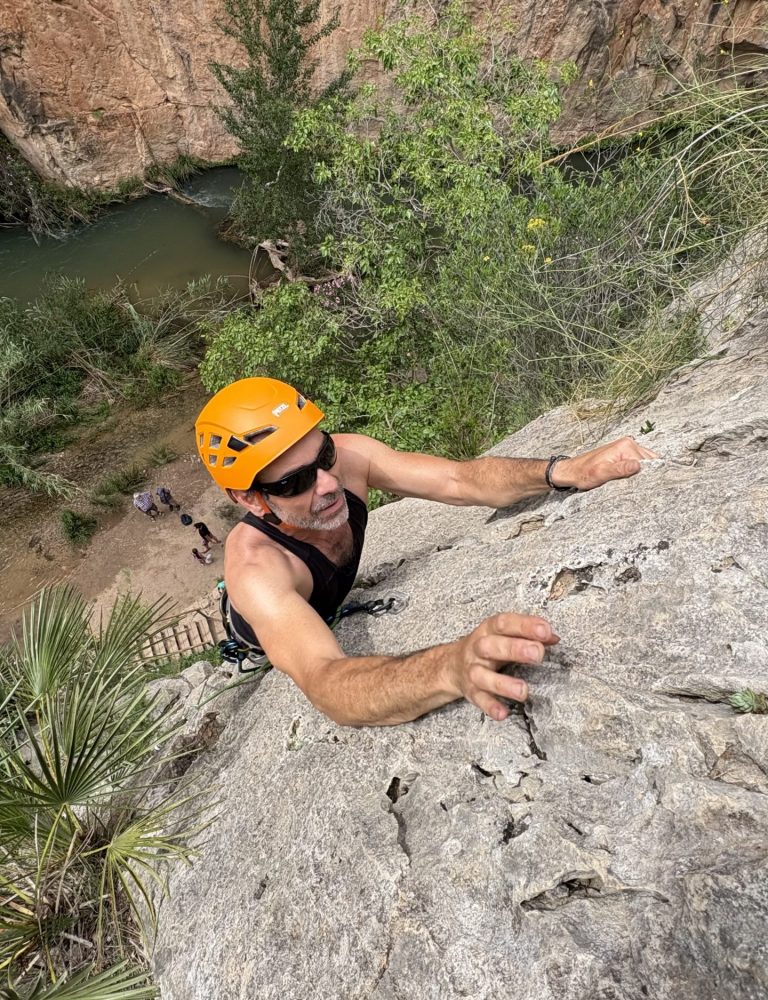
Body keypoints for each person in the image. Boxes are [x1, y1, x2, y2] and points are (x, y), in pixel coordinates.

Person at [195, 377, 658, 727]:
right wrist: (450, 668)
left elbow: (459, 480)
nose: (329, 483)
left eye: (325, 456)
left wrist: (565, 470)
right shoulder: (259, 568)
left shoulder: (351, 460)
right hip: (259, 635)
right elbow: (326, 681)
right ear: (250, 499)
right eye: (295, 482)